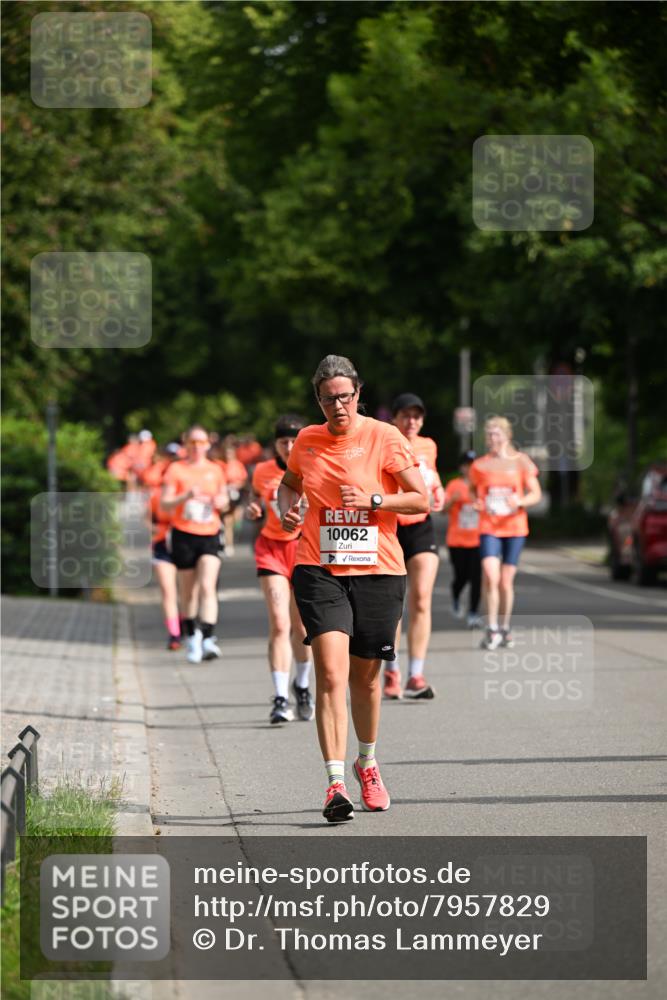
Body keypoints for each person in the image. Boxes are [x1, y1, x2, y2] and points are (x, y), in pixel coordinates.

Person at [278, 355, 428, 823]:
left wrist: (374, 500)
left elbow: (420, 498)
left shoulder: (385, 436)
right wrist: (289, 510)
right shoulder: (306, 440)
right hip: (319, 568)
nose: (338, 406)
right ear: (317, 401)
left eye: (345, 397)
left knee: (364, 677)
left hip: (379, 570)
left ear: (358, 393)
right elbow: (289, 485)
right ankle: (335, 782)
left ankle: (367, 762)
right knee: (330, 671)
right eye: (328, 400)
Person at [246, 416, 314, 725]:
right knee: (279, 622)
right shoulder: (262, 471)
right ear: (274, 444)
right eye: (283, 442)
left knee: (301, 628)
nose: (288, 447)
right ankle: (280, 697)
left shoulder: (312, 466)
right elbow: (256, 500)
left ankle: (302, 686)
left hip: (304, 550)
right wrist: (254, 509)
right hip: (271, 549)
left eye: (293, 441)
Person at [383, 393, 445, 701]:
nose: (412, 422)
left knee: (421, 599)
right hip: (391, 527)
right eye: (406, 415)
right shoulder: (384, 442)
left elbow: (431, 479)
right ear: (394, 418)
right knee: (395, 603)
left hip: (421, 527)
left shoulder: (429, 445)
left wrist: (439, 490)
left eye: (417, 416)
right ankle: (391, 670)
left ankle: (415, 674)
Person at [469, 416, 541, 650]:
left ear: (507, 436)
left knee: (506, 581)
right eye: (489, 433)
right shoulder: (479, 465)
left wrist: (519, 501)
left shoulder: (522, 461)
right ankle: (491, 629)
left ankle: (505, 627)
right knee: (491, 575)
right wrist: (477, 502)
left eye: (497, 433)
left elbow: (536, 493)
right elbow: (472, 491)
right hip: (489, 526)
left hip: (515, 528)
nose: (492, 438)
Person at [161, 426, 229, 663]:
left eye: (201, 442)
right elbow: (165, 503)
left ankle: (208, 638)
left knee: (208, 585)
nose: (197, 446)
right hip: (183, 534)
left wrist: (221, 501)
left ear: (208, 444)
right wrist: (185, 497)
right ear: (185, 443)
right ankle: (192, 636)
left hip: (209, 533)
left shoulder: (216, 469)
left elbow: (224, 498)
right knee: (188, 592)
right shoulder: (176, 469)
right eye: (192, 442)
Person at [148, 443, 184, 650]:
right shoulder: (157, 494)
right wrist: (153, 529)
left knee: (187, 591)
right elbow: (146, 519)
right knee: (168, 590)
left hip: (188, 541)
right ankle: (174, 634)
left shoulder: (192, 490)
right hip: (163, 543)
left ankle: (187, 623)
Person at [443, 451, 482, 628]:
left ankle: (473, 613)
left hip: (478, 539)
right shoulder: (454, 485)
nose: (470, 467)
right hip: (457, 540)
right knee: (461, 576)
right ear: (462, 467)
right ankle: (456, 594)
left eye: (473, 464)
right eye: (467, 464)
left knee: (476, 578)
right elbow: (443, 510)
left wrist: (480, 506)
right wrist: (453, 500)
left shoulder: (481, 485)